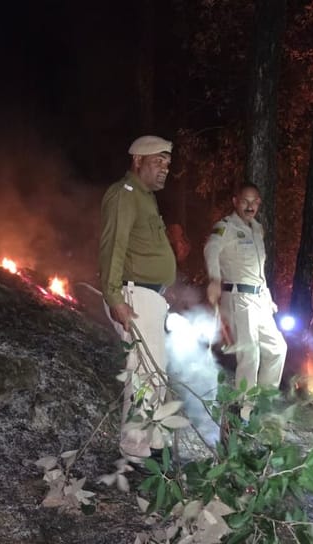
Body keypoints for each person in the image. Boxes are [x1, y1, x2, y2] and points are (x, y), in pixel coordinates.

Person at [98, 135, 175, 461]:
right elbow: (113, 246)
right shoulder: (125, 194)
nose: (165, 168)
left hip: (149, 297)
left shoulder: (146, 198)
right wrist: (115, 298)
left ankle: (152, 444)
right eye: (158, 162)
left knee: (156, 372)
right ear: (138, 161)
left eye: (167, 163)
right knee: (144, 375)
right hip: (134, 295)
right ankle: (134, 451)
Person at [204, 183, 287, 420]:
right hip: (238, 298)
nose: (250, 207)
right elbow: (211, 250)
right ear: (235, 201)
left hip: (259, 299)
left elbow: (259, 270)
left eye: (255, 202)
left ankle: (262, 405)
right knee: (250, 354)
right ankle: (244, 412)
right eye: (245, 201)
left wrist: (268, 297)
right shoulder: (225, 227)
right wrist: (214, 279)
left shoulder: (257, 229)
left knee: (278, 349)